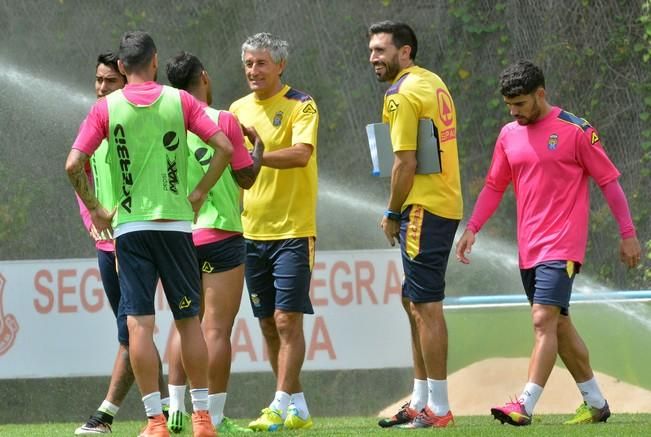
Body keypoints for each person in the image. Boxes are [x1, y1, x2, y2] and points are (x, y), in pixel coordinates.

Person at [65, 31, 234, 437]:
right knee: (189, 323)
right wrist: (199, 192)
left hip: (130, 229)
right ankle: (203, 419)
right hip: (177, 226)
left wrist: (96, 208)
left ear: (122, 68)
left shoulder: (106, 109)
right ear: (155, 61)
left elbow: (73, 165)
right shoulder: (181, 101)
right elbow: (225, 148)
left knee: (139, 327)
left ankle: (155, 421)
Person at [455, 59, 642, 427]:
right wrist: (473, 227)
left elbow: (609, 181)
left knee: (542, 320)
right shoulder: (509, 134)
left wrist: (628, 233)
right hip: (529, 250)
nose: (514, 112)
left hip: (563, 246)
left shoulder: (576, 130)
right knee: (558, 327)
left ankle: (523, 405)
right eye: (509, 105)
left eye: (521, 103)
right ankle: (596, 402)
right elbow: (495, 185)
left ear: (541, 93)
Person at [368, 21, 462, 429]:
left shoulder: (400, 94)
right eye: (371, 50)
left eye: (381, 50)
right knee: (412, 304)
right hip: (442, 200)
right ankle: (421, 399)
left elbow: (405, 162)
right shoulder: (432, 81)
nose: (374, 57)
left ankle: (439, 409)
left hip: (422, 206)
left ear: (404, 52)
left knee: (425, 307)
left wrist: (391, 213)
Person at [164, 51, 262, 434]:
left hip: (178, 233)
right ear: (204, 76)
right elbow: (246, 179)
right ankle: (213, 417)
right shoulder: (225, 120)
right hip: (221, 232)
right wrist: (260, 150)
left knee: (183, 322)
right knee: (217, 329)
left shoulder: (165, 123)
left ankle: (174, 410)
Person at [74, 51, 170, 435]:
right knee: (134, 333)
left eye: (109, 81)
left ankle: (105, 415)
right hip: (106, 244)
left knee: (133, 332)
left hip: (137, 240)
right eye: (97, 80)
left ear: (126, 82)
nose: (100, 88)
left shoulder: (134, 122)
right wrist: (92, 218)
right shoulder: (94, 119)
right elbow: (79, 171)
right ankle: (167, 409)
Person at [228, 32, 319, 432]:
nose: (253, 70)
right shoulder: (236, 108)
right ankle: (297, 406)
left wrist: (260, 158)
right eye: (248, 63)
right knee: (266, 322)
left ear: (280, 65)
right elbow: (231, 165)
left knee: (287, 321)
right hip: (251, 233)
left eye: (261, 63)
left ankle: (278, 405)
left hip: (294, 231)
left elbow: (301, 154)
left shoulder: (302, 104)